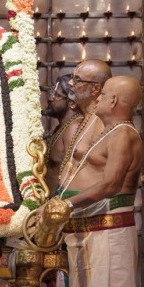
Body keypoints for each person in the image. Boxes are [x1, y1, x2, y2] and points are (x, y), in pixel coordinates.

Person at [56, 76, 143, 287]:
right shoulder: (109, 132)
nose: (99, 99)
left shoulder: (123, 133)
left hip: (110, 233)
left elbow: (110, 185)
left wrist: (66, 205)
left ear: (113, 100)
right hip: (92, 231)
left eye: (103, 95)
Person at [57, 59, 112, 192]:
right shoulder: (83, 120)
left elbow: (110, 179)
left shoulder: (102, 123)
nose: (70, 83)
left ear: (95, 89)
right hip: (67, 205)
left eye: (78, 80)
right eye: (72, 78)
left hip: (88, 208)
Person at [43, 74, 81, 192]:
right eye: (52, 93)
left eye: (57, 95)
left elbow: (72, 175)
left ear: (72, 103)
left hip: (60, 206)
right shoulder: (63, 126)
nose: (50, 98)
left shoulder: (74, 127)